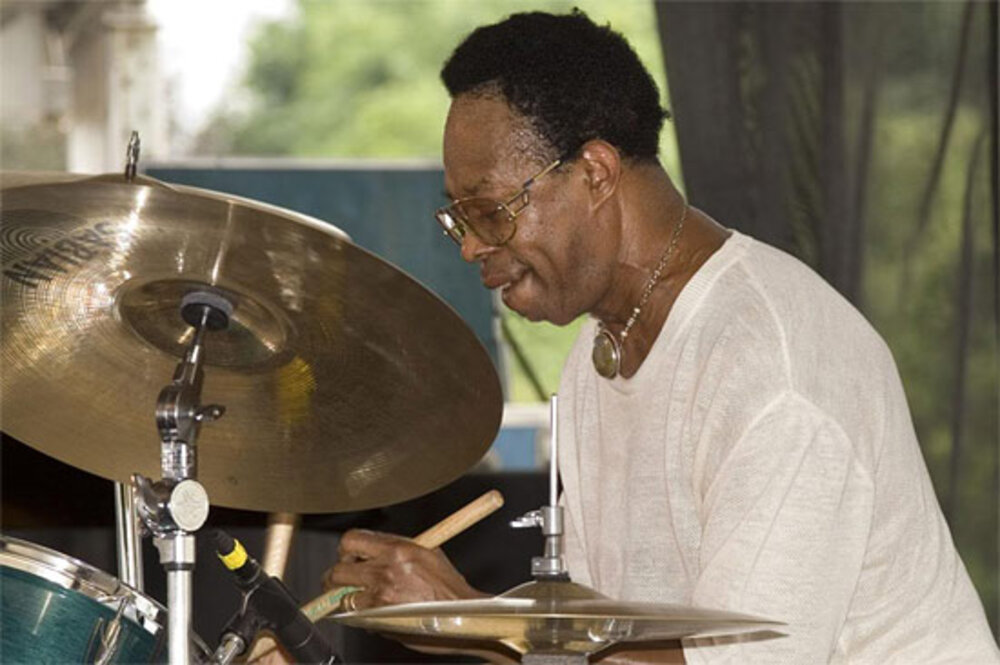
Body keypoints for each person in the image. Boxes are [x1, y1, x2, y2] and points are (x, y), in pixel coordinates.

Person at [324, 10, 1000, 664]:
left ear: (595, 172)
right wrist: (460, 623)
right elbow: (583, 652)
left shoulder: (773, 370)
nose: (472, 246)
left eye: (489, 211)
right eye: (459, 218)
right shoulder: (599, 356)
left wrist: (468, 617)